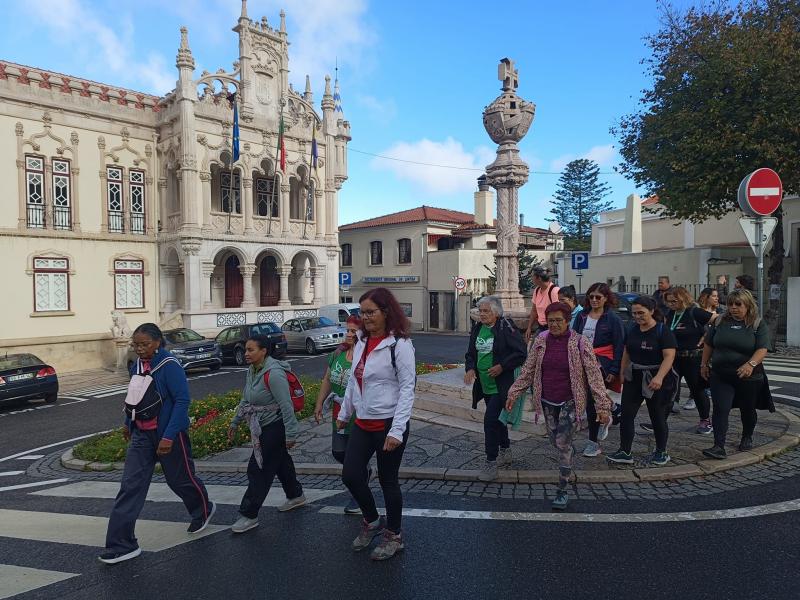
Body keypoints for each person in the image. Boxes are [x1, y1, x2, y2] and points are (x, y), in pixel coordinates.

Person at [100, 323, 214, 564]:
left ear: (158, 342)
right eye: (136, 345)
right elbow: (134, 397)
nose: (139, 349)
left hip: (168, 435)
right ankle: (122, 544)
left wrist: (168, 436)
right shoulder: (137, 366)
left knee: (179, 479)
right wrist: (127, 423)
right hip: (141, 436)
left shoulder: (170, 366)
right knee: (130, 486)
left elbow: (182, 402)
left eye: (145, 344)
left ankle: (202, 509)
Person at [506, 302, 611, 510]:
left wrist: (603, 406)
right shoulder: (541, 341)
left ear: (568, 321)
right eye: (551, 320)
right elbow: (528, 370)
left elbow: (594, 377)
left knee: (562, 444)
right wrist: (514, 392)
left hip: (570, 402)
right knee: (555, 441)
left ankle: (562, 490)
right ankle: (567, 453)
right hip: (547, 401)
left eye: (558, 321)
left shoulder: (580, 343)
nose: (554, 324)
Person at [338, 287, 416, 561]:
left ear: (386, 312)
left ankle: (394, 535)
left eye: (370, 312)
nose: (365, 318)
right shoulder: (360, 340)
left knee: (388, 481)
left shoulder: (400, 344)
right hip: (363, 421)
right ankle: (372, 520)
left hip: (388, 425)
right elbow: (353, 379)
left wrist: (397, 430)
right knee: (350, 475)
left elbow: (408, 388)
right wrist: (345, 412)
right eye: (362, 313)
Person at [228, 335, 305, 534]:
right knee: (280, 462)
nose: (246, 354)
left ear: (264, 351)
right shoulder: (252, 370)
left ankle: (249, 514)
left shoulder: (275, 374)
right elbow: (246, 399)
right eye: (246, 350)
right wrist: (235, 421)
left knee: (258, 468)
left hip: (275, 426)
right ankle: (295, 494)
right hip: (262, 425)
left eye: (251, 350)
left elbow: (286, 405)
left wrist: (291, 434)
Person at [607, 296, 678, 466]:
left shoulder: (662, 331)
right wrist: (623, 372)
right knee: (627, 415)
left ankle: (661, 451)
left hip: (656, 378)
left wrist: (659, 377)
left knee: (657, 416)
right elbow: (626, 351)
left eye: (641, 313)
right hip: (635, 376)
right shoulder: (632, 329)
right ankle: (625, 451)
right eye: (634, 313)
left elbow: (669, 356)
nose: (638, 317)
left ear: (652, 311)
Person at [701, 289, 772, 460]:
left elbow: (762, 349)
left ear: (747, 305)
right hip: (721, 374)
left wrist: (750, 364)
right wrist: (704, 364)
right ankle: (719, 446)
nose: (733, 308)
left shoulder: (757, 323)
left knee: (747, 409)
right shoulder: (720, 321)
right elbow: (709, 344)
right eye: (730, 304)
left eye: (738, 304)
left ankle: (747, 436)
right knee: (720, 408)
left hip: (748, 377)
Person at [465, 295, 527, 482]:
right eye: (480, 311)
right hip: (485, 385)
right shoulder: (478, 328)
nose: (481, 314)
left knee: (490, 421)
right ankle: (506, 450)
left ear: (496, 313)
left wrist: (502, 366)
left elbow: (521, 352)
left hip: (502, 386)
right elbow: (470, 353)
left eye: (486, 311)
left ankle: (491, 462)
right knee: (498, 420)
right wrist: (470, 368)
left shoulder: (505, 327)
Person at [313, 315, 369, 514]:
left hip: (358, 414)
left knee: (353, 461)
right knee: (338, 452)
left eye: (353, 331)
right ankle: (363, 472)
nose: (348, 334)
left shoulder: (366, 355)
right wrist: (319, 402)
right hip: (338, 410)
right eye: (348, 330)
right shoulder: (338, 353)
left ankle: (358, 495)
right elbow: (328, 378)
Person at [572, 282, 625, 457]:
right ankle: (613, 411)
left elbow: (619, 346)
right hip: (582, 362)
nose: (594, 300)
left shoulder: (613, 319)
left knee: (592, 402)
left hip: (603, 363)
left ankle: (593, 442)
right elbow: (574, 338)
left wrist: (614, 370)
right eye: (591, 296)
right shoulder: (581, 316)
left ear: (606, 299)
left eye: (598, 297)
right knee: (590, 399)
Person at [662, 287, 714, 433]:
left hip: (693, 358)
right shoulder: (670, 313)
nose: (671, 304)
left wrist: (707, 336)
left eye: (674, 301)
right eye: (669, 301)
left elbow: (717, 320)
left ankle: (705, 421)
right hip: (675, 358)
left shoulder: (694, 312)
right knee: (668, 389)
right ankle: (660, 422)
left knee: (697, 390)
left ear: (683, 299)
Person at [525, 267, 560, 341]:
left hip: (552, 327)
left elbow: (558, 312)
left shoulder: (554, 291)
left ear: (539, 278)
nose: (531, 279)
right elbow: (534, 310)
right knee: (534, 349)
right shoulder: (537, 290)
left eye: (532, 276)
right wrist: (529, 328)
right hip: (541, 327)